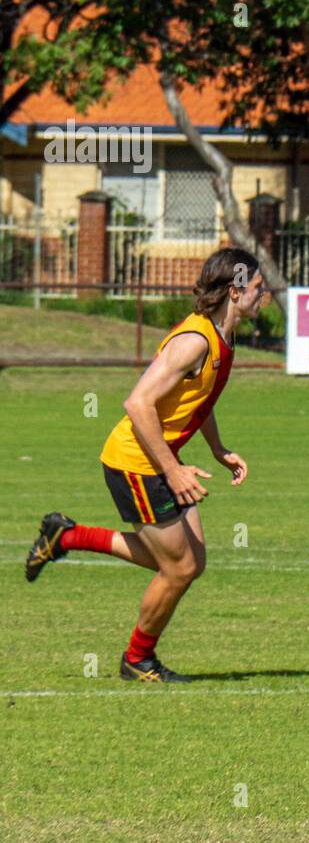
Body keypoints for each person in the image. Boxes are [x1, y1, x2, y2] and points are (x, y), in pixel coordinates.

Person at [24, 248, 266, 683]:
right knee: (180, 567)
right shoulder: (195, 341)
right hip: (136, 463)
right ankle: (137, 660)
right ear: (235, 291)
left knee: (190, 561)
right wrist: (172, 470)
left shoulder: (220, 338)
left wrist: (217, 447)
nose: (263, 297)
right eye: (258, 289)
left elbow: (198, 399)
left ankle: (67, 536)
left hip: (159, 461)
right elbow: (138, 403)